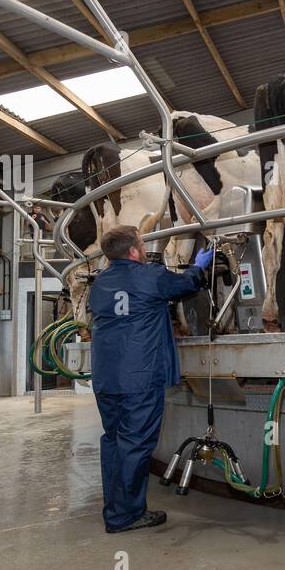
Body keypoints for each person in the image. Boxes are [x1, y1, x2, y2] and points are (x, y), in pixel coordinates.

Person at [89, 226, 213, 534]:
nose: (145, 249)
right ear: (133, 251)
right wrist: (200, 266)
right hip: (139, 379)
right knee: (135, 444)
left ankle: (115, 509)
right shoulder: (150, 276)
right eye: (143, 244)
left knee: (114, 443)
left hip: (107, 378)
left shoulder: (100, 283)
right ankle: (125, 516)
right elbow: (185, 284)